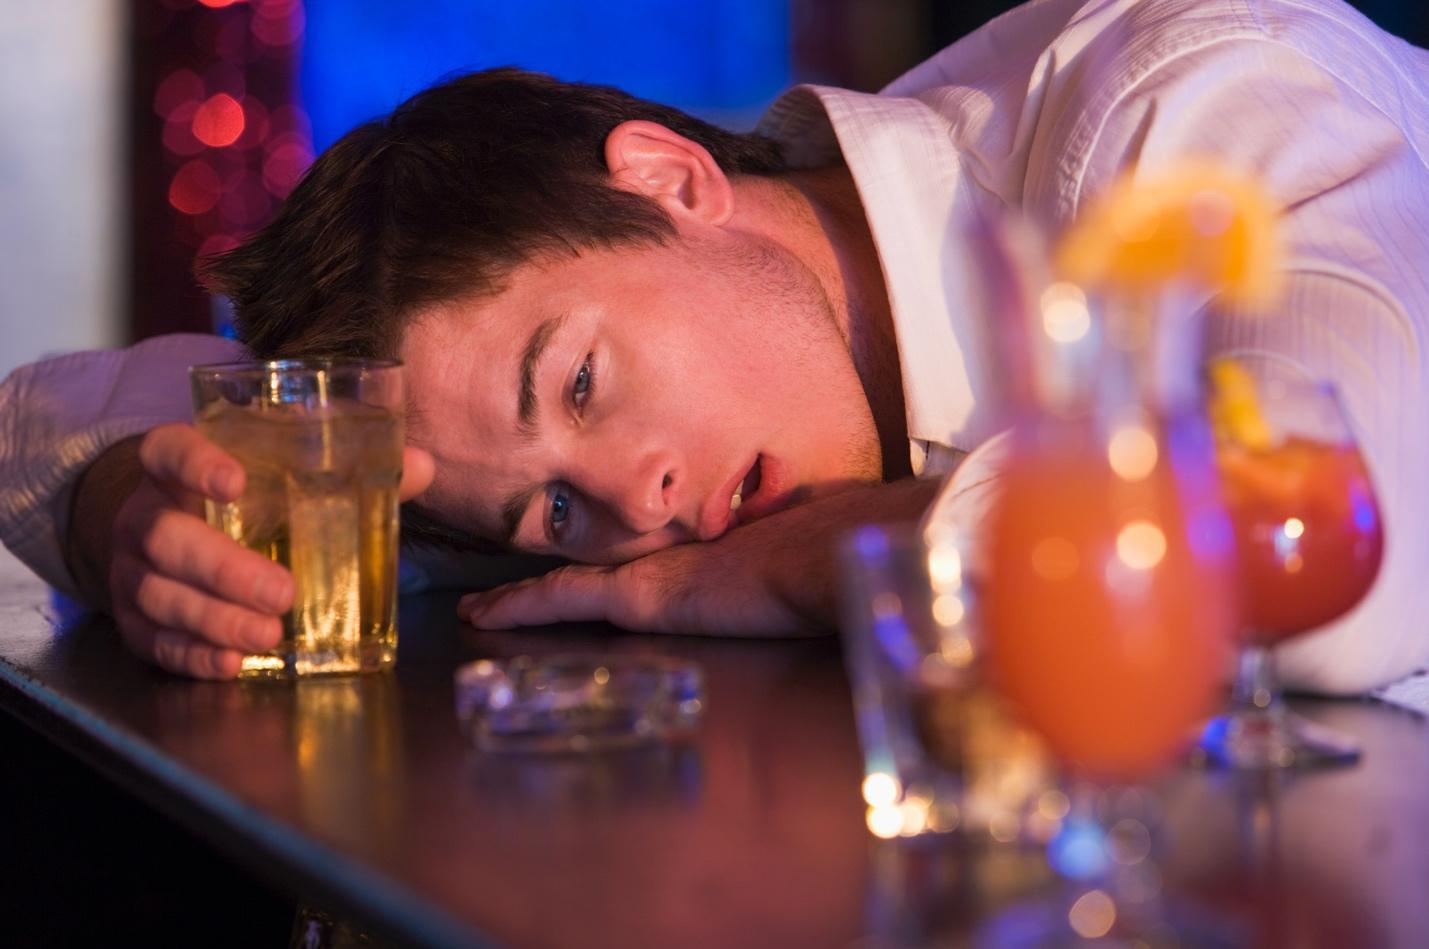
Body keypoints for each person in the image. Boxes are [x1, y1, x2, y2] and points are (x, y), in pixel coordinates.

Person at [1, 0, 1426, 688]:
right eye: (548, 512)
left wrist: (879, 552)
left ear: (669, 180)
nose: (633, 504)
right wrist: (125, 498)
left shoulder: (1174, 99)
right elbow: (29, 416)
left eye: (578, 380)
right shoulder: (631, 485)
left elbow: (1341, 548)